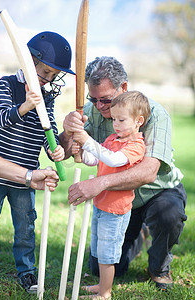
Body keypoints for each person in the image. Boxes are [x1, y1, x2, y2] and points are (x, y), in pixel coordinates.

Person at [59, 56, 187, 291]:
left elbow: (149, 172)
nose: (99, 106)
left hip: (156, 191)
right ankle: (138, 232)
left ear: (123, 87)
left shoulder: (155, 114)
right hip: (119, 200)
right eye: (93, 99)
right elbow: (67, 152)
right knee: (102, 268)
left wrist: (99, 183)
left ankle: (159, 267)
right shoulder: (90, 110)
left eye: (106, 100)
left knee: (168, 216)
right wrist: (68, 133)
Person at [0, 31, 75, 293]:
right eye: (46, 73)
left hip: (26, 176)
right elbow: (1, 119)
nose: (49, 81)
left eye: (54, 76)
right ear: (29, 61)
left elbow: (47, 128)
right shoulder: (7, 84)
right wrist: (26, 106)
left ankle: (27, 272)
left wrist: (55, 150)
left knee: (26, 228)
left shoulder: (47, 96)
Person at [72, 91, 151, 299]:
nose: (115, 123)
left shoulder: (135, 146)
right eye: (114, 119)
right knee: (98, 247)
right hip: (101, 203)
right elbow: (96, 159)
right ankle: (100, 285)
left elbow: (114, 160)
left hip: (115, 210)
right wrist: (81, 150)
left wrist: (88, 141)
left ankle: (105, 293)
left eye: (121, 119)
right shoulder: (112, 138)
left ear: (138, 121)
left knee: (107, 254)